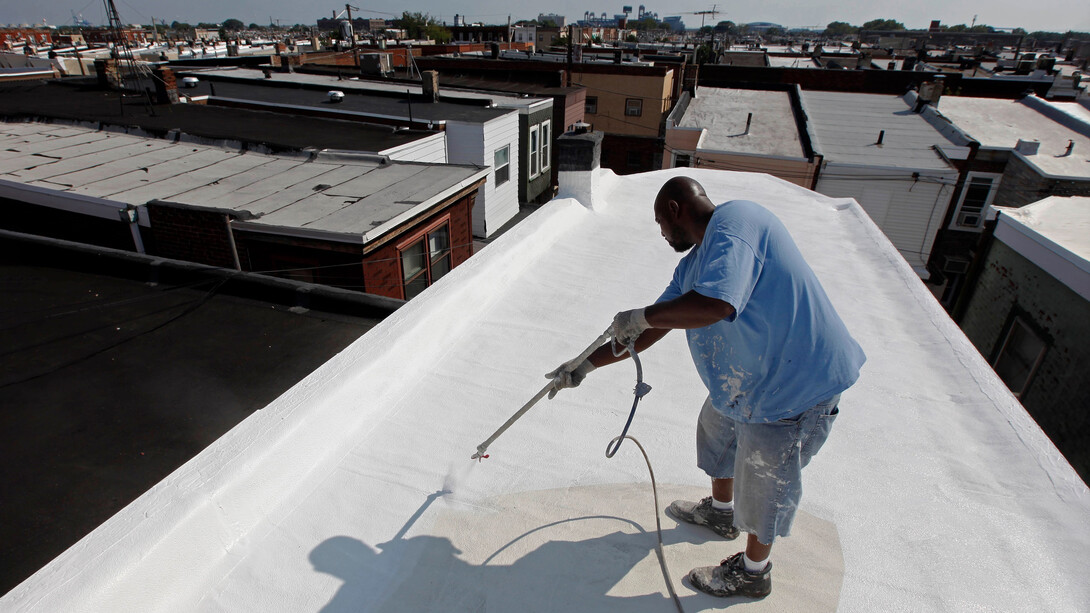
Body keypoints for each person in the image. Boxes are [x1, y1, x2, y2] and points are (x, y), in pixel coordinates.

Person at [546, 176, 866, 599]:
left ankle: (753, 573)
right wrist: (584, 364)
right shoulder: (694, 266)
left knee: (764, 481)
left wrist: (643, 315)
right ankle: (721, 514)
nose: (661, 233)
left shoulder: (737, 223)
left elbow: (716, 305)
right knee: (716, 432)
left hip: (795, 388)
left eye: (660, 223)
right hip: (751, 385)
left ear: (676, 209)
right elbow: (652, 329)